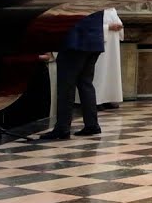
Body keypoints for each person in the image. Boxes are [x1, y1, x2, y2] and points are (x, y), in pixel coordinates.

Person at [41, 11, 106, 140]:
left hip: (75, 41)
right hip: (94, 40)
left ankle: (62, 127)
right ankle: (92, 124)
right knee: (85, 83)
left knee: (66, 86)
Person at [94, 8, 124, 108]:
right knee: (100, 72)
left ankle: (109, 98)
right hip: (102, 44)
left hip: (113, 45)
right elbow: (92, 27)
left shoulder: (112, 10)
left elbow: (119, 23)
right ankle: (97, 100)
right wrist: (108, 27)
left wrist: (119, 26)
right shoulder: (96, 9)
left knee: (111, 72)